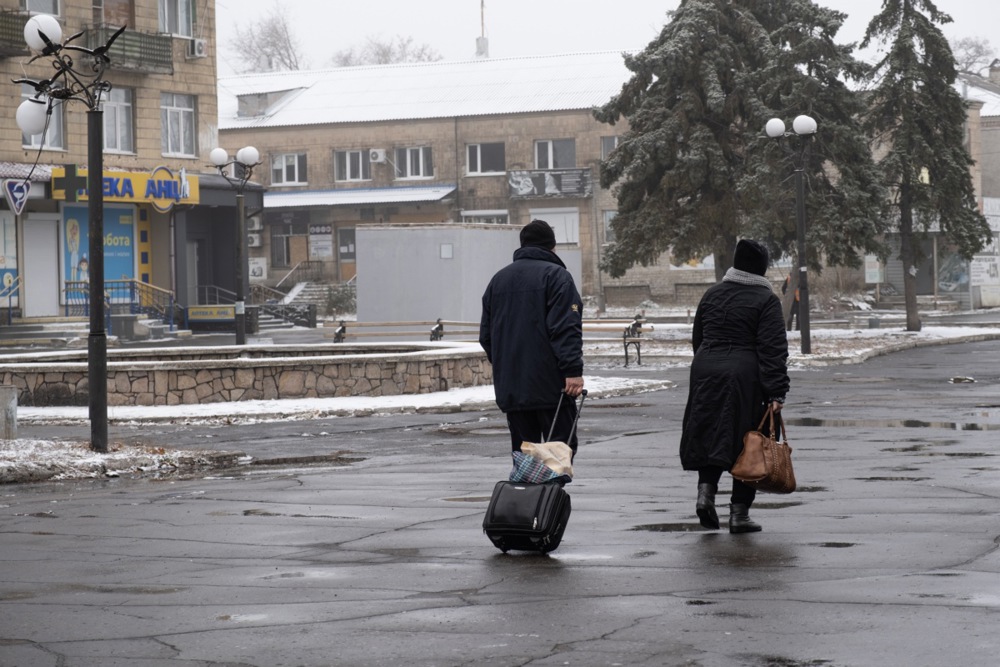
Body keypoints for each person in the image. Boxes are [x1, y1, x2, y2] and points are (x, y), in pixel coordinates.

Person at [679, 239, 790, 533]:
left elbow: (698, 337)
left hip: (705, 371)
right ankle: (739, 514)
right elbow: (773, 349)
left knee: (711, 433)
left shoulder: (712, 294)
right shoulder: (766, 300)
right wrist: (776, 390)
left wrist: (708, 365)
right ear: (762, 267)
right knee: (750, 441)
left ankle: (705, 494)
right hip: (745, 376)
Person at [479, 219, 585, 458]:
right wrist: (572, 370)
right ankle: (553, 486)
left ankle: (526, 485)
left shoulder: (498, 280)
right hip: (552, 387)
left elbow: (486, 335)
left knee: (524, 458)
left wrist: (507, 366)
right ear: (552, 246)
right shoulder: (557, 276)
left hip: (513, 388)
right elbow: (566, 328)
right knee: (558, 456)